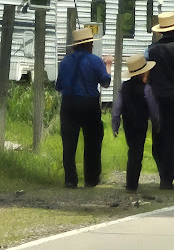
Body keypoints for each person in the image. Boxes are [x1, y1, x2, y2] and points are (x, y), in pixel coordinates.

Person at [56, 27, 112, 188]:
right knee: (93, 141)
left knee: (69, 143)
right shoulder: (95, 61)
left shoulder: (65, 62)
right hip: (89, 103)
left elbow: (59, 86)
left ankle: (70, 179)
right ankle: (91, 178)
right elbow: (105, 82)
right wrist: (108, 65)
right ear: (88, 45)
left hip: (69, 103)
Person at [146, 12, 174, 190]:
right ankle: (169, 176)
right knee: (173, 138)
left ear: (161, 32)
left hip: (156, 98)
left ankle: (162, 172)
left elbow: (145, 75)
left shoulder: (150, 50)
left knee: (158, 136)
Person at [111, 54, 160, 192]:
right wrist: (156, 123)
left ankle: (130, 182)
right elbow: (153, 108)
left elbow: (117, 107)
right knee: (138, 152)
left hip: (127, 123)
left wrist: (115, 124)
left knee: (132, 149)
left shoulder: (124, 87)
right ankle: (133, 183)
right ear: (143, 72)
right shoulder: (146, 89)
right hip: (141, 122)